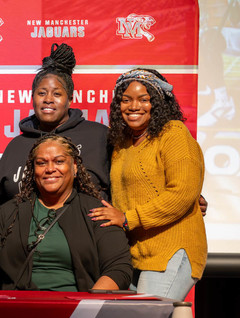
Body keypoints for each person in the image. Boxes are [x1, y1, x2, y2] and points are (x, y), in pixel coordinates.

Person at [89, 69, 207, 300]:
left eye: (144, 99)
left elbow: (182, 193)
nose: (134, 106)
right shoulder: (122, 141)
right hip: (135, 254)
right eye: (126, 100)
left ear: (160, 103)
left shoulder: (173, 134)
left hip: (171, 250)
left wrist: (127, 219)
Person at [0, 134, 131, 291]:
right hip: (18, 309)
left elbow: (118, 268)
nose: (50, 169)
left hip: (76, 312)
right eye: (41, 163)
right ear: (33, 170)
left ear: (74, 166)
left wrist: (89, 306)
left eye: (59, 161)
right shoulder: (11, 211)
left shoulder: (96, 211)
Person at [0, 43, 110, 235]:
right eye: (41, 93)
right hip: (23, 247)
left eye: (57, 94)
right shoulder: (17, 145)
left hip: (87, 244)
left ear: (70, 99)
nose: (48, 99)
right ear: (32, 97)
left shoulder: (98, 136)